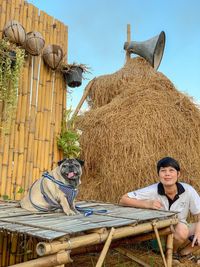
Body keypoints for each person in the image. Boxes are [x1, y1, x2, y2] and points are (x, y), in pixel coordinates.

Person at [119, 156, 200, 260]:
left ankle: (184, 253)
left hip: (179, 230)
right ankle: (171, 254)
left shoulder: (188, 190)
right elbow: (123, 200)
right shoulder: (153, 190)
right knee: (182, 229)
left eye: (171, 170)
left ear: (178, 174)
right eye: (163, 170)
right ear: (158, 174)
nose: (167, 174)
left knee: (184, 228)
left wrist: (198, 232)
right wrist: (147, 204)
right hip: (159, 234)